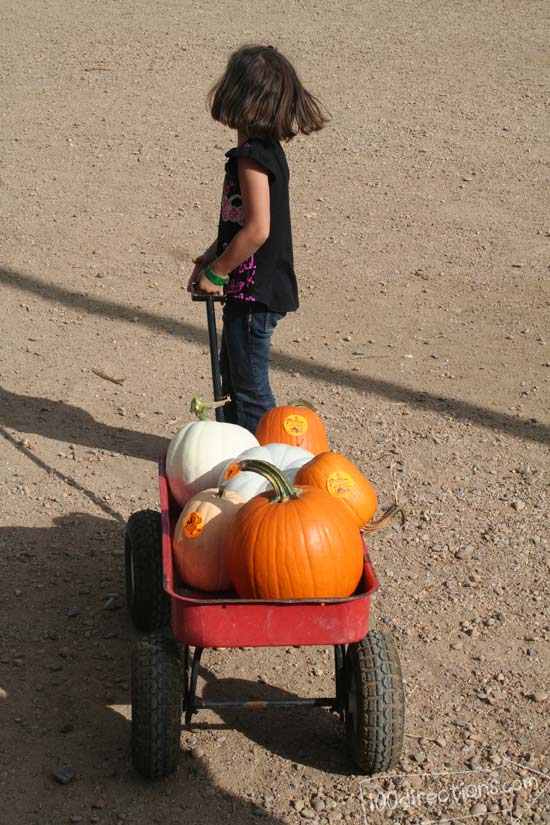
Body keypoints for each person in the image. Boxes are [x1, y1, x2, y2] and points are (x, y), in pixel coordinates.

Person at [187, 44, 327, 434]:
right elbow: (241, 222)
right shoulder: (266, 151)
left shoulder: (250, 158)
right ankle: (236, 447)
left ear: (237, 97)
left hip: (254, 295)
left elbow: (258, 229)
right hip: (253, 290)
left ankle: (265, 461)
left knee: (248, 389)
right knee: (232, 379)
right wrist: (211, 256)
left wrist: (217, 274)